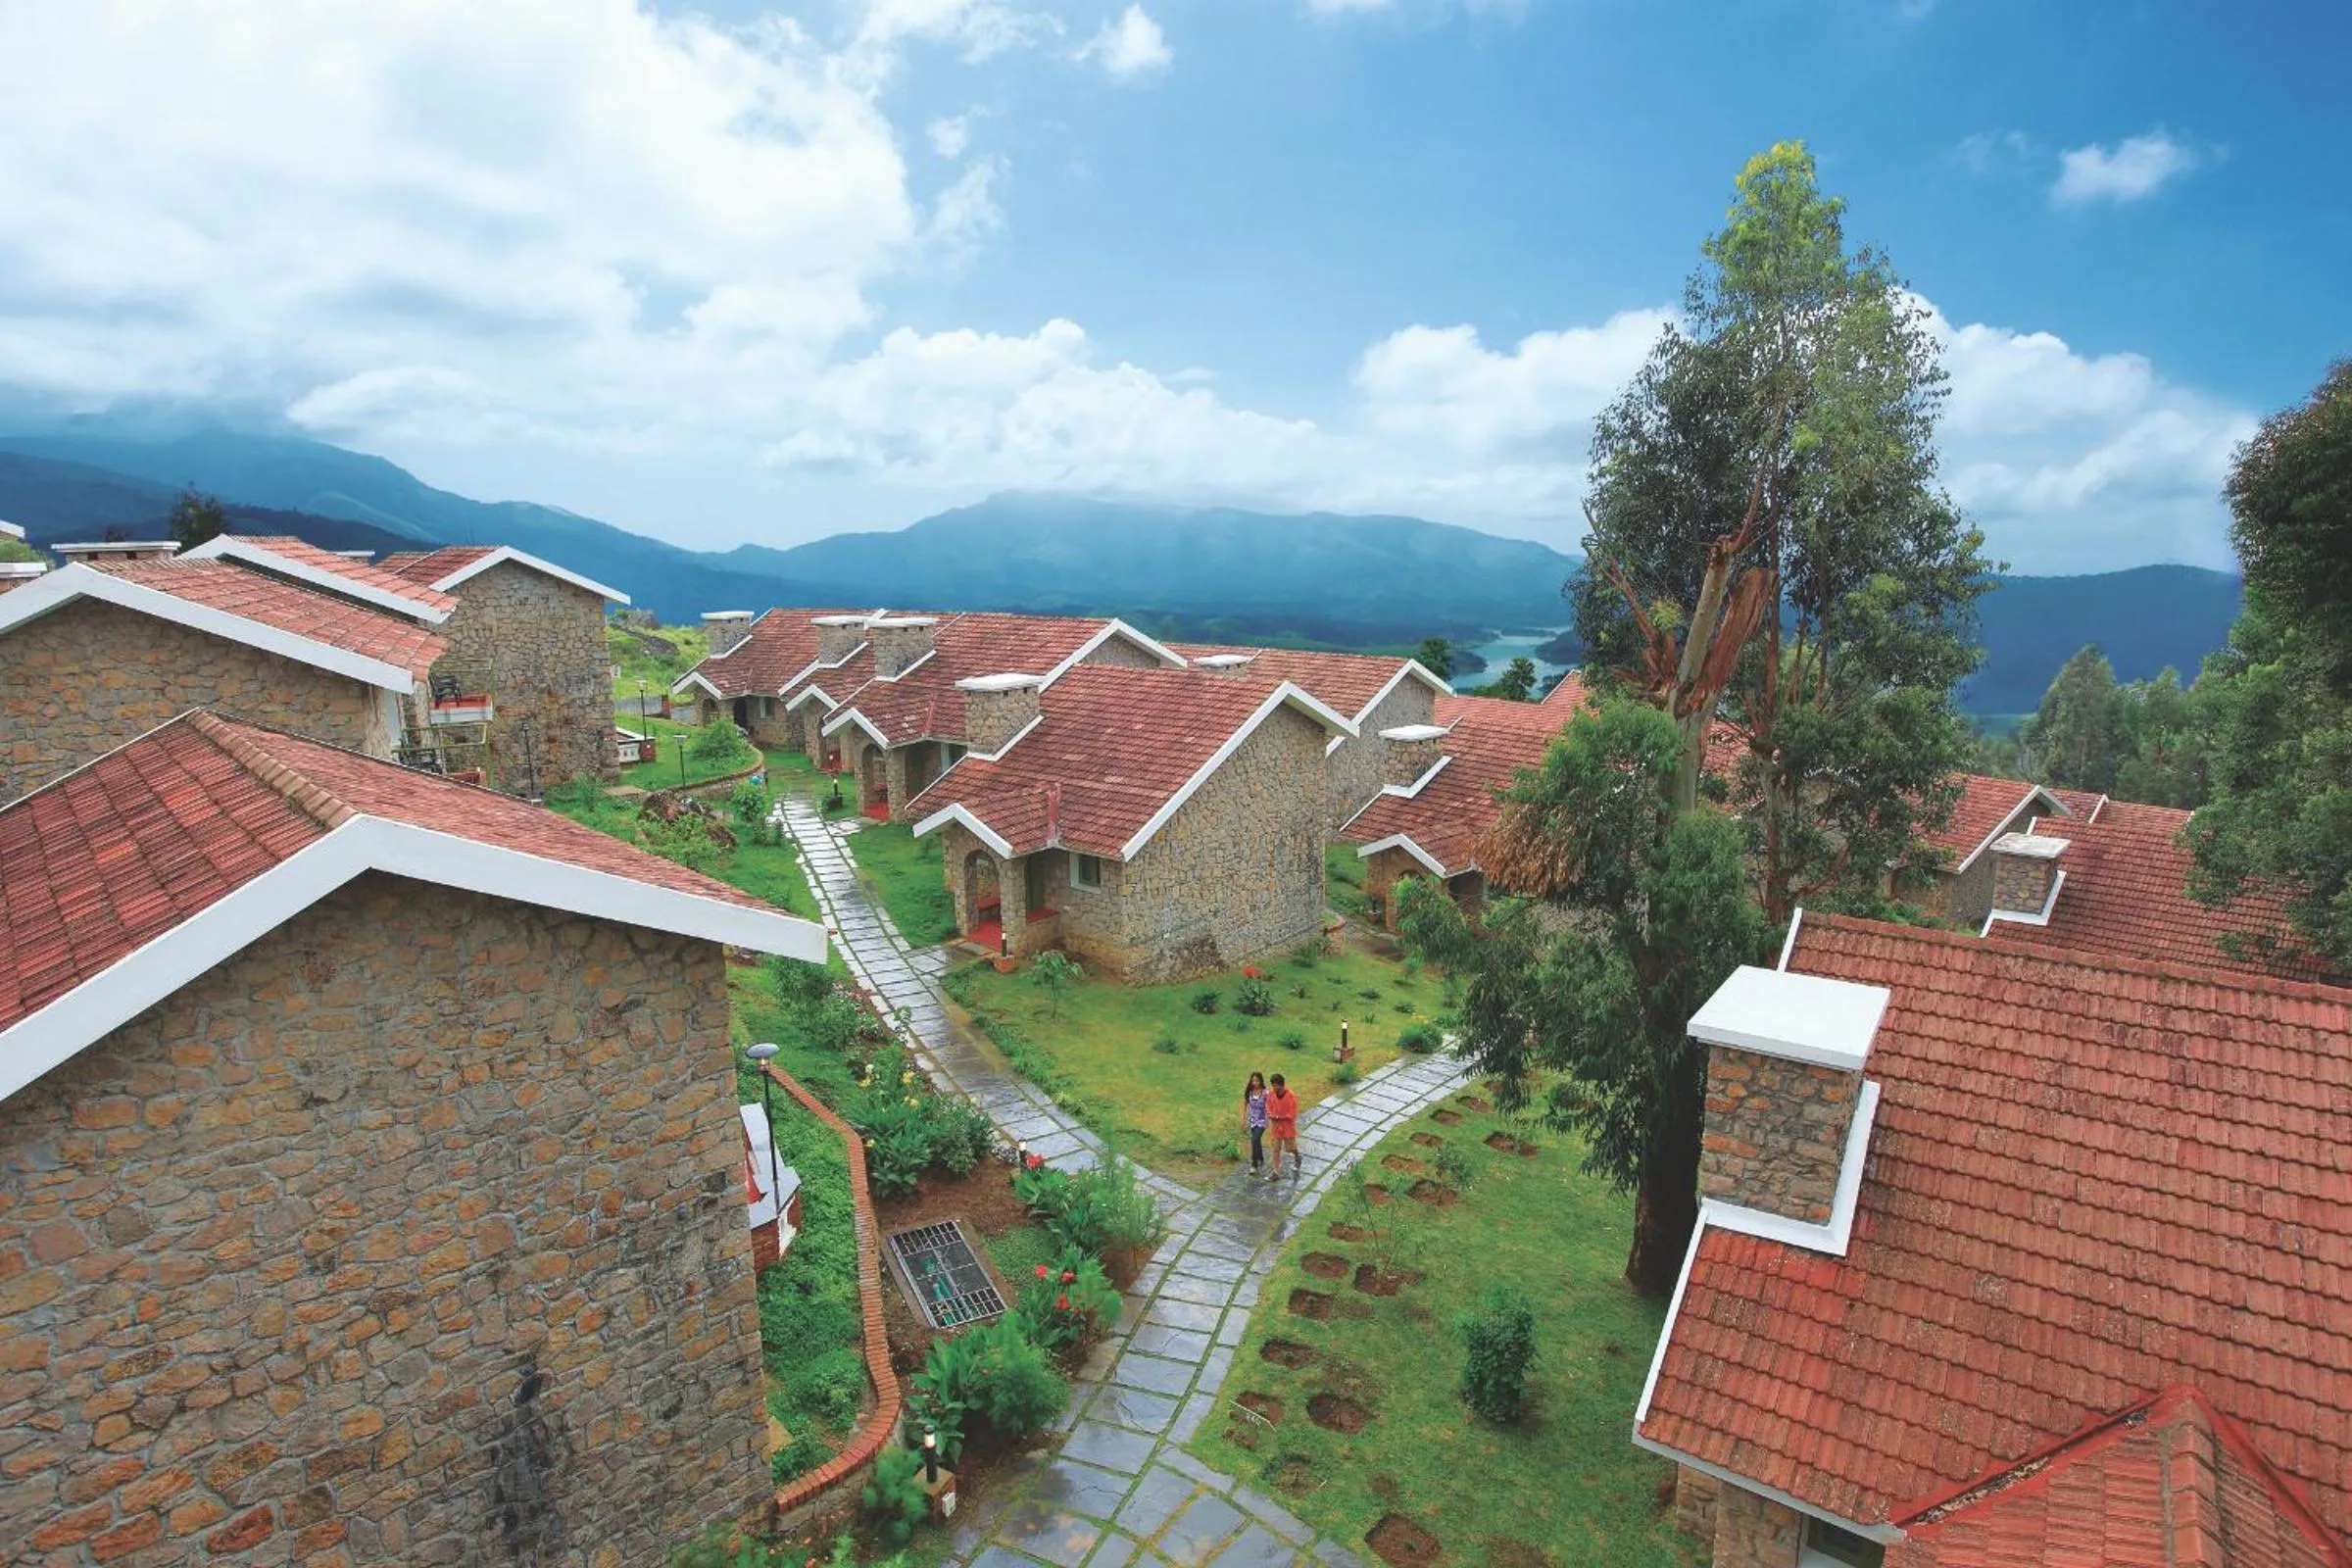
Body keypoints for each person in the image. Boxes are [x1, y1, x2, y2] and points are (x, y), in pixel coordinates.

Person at [1265, 1073, 1300, 1181]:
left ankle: (1297, 1156)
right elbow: (1268, 1106)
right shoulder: (1271, 1094)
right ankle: (1276, 1172)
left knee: (1289, 1149)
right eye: (1273, 1085)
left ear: (1282, 1085)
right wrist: (1270, 1114)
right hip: (1276, 1128)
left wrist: (1278, 1117)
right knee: (1276, 1149)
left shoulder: (1291, 1096)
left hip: (1287, 1128)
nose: (1274, 1088)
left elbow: (1292, 1114)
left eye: (1276, 1086)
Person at [1241, 1072, 1269, 1179]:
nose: (1255, 1083)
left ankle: (1254, 1165)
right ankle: (1260, 1158)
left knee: (1254, 1139)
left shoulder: (1266, 1093)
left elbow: (1270, 1105)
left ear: (1261, 1081)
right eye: (1253, 1081)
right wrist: (1243, 1117)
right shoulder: (1250, 1092)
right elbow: (1244, 1104)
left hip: (1262, 1120)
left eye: (1257, 1081)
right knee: (1257, 1141)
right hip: (1252, 1120)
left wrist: (1268, 1118)